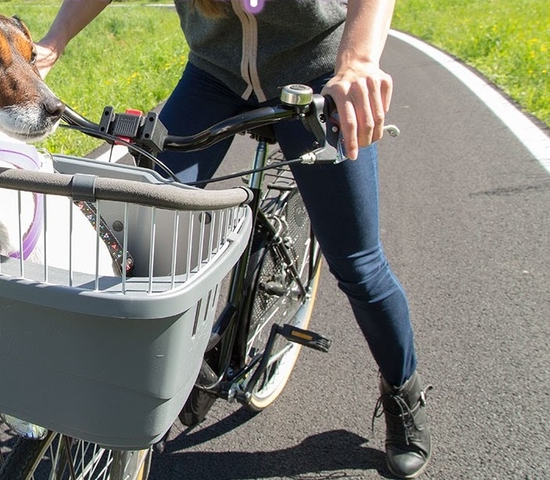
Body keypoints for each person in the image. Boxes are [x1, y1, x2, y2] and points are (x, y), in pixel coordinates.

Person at [35, 1, 432, 478]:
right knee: (140, 225)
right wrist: (54, 41)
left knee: (358, 264)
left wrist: (359, 61)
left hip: (319, 73)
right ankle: (158, 364)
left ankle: (402, 393)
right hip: (215, 73)